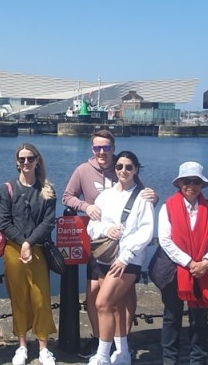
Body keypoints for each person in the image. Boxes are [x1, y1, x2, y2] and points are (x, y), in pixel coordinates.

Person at [62, 130, 156, 359]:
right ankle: (102, 341)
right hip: (102, 248)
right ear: (92, 149)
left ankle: (119, 348)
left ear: (113, 148)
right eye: (97, 148)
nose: (102, 152)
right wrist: (86, 207)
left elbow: (143, 204)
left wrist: (153, 197)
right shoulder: (84, 171)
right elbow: (67, 197)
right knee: (97, 296)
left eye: (106, 147)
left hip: (127, 255)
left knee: (120, 299)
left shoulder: (126, 170)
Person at [86, 151, 155, 365]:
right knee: (116, 305)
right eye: (119, 166)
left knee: (102, 303)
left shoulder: (143, 197)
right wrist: (107, 229)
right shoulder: (105, 196)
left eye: (128, 167)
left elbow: (146, 231)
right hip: (105, 257)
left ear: (136, 169)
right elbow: (92, 226)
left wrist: (126, 256)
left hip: (128, 260)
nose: (123, 171)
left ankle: (103, 356)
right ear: (114, 169)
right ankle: (123, 353)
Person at [153, 161, 208, 365]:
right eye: (186, 181)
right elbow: (165, 240)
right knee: (171, 317)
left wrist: (206, 262)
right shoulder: (168, 207)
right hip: (175, 271)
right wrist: (190, 262)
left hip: (203, 271)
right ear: (179, 183)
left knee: (200, 319)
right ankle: (169, 359)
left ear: (202, 184)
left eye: (196, 181)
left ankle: (198, 359)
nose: (191, 185)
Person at [0, 143, 58, 365]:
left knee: (41, 299)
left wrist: (29, 243)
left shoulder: (47, 190)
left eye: (30, 158)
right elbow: (4, 222)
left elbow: (48, 222)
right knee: (19, 299)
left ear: (37, 160)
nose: (26, 162)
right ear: (17, 162)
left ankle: (43, 347)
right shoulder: (7, 189)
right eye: (22, 159)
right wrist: (22, 243)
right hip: (14, 250)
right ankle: (22, 345)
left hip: (38, 250)